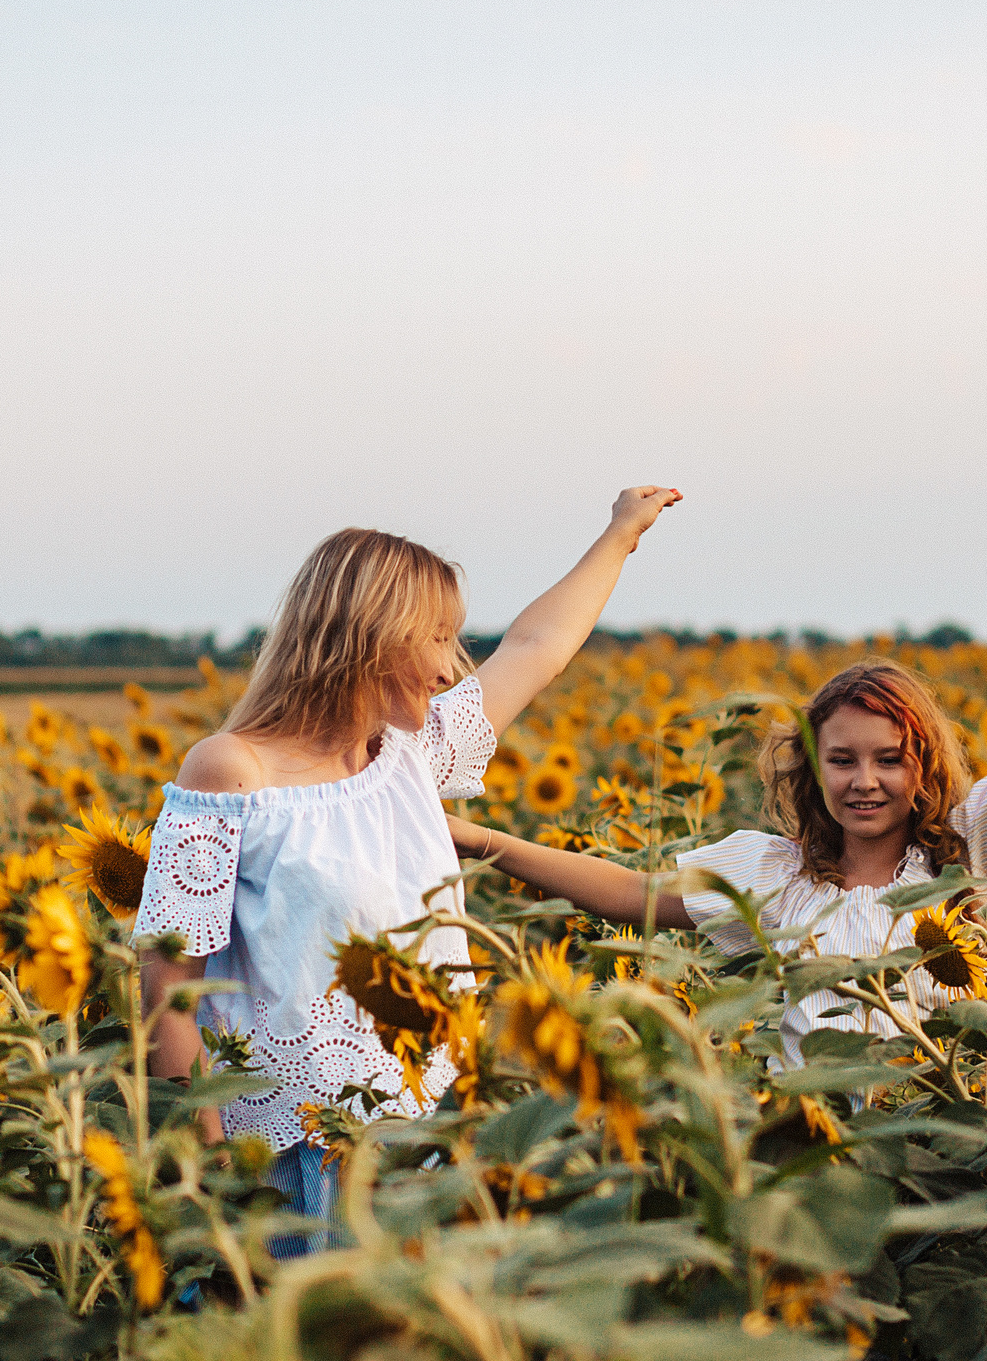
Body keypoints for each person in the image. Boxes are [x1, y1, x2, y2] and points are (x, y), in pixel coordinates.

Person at [450, 472, 987, 1065]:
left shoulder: (969, 860)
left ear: (923, 767)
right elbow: (632, 893)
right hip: (817, 1155)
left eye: (888, 759)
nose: (864, 779)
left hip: (938, 1145)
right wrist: (480, 839)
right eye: (842, 760)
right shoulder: (780, 877)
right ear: (814, 770)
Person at [134, 488, 683, 1240]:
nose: (447, 665)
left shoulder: (410, 759)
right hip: (292, 1155)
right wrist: (206, 1184)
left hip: (426, 1137)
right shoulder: (232, 771)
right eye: (436, 637)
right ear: (373, 638)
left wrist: (621, 535)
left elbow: (536, 649)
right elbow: (170, 983)